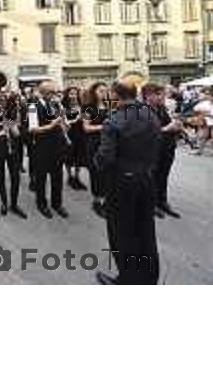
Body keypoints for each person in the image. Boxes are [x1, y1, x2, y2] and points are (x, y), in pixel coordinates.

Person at [95, 81, 161, 285]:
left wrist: (95, 160)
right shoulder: (150, 114)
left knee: (122, 232)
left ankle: (128, 279)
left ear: (115, 94)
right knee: (145, 229)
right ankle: (149, 276)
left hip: (121, 183)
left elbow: (105, 157)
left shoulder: (113, 121)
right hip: (146, 179)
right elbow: (158, 142)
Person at [25, 80, 69, 219]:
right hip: (41, 147)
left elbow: (64, 125)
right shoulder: (33, 107)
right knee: (41, 178)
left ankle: (57, 204)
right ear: (43, 92)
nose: (55, 95)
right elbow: (32, 129)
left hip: (57, 146)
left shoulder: (57, 104)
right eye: (52, 92)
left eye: (56, 92)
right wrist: (51, 126)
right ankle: (41, 204)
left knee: (58, 177)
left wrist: (65, 123)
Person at [143, 83, 183, 219]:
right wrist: (167, 128)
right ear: (148, 95)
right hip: (152, 149)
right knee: (152, 177)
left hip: (167, 147)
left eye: (163, 94)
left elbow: (167, 124)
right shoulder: (143, 110)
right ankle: (151, 203)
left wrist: (176, 126)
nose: (162, 97)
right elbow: (145, 133)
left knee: (163, 175)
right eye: (159, 94)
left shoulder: (161, 108)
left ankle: (162, 201)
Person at [0, 94, 27, 218]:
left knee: (16, 177)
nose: (2, 103)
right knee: (1, 178)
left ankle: (14, 204)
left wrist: (10, 125)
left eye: (4, 101)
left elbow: (17, 134)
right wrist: (1, 133)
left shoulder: (11, 115)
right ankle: (4, 203)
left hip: (12, 149)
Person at [82, 82, 110, 218]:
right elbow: (86, 128)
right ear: (94, 92)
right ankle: (97, 201)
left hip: (107, 143)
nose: (103, 93)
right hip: (93, 144)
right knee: (96, 173)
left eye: (105, 91)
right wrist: (102, 127)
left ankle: (105, 199)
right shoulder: (88, 108)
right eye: (101, 91)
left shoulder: (109, 106)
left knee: (106, 173)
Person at [62, 86, 87, 190]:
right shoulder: (63, 107)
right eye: (71, 93)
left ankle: (77, 176)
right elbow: (63, 122)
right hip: (69, 134)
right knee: (69, 156)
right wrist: (76, 119)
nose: (73, 96)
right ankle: (69, 176)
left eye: (75, 93)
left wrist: (84, 117)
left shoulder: (82, 106)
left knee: (79, 156)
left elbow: (86, 120)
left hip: (80, 134)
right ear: (67, 95)